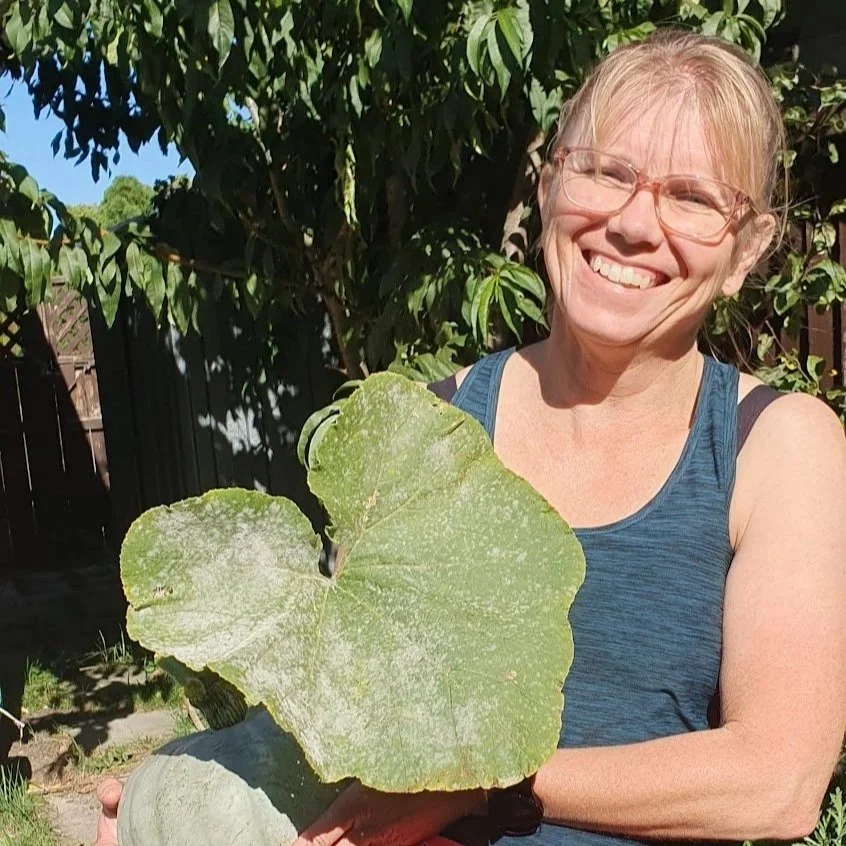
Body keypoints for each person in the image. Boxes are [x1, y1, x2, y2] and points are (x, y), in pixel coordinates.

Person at [93, 28, 846, 846]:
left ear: (747, 250)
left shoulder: (775, 446)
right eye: (607, 171)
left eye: (693, 197)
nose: (634, 222)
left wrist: (481, 786)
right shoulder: (425, 431)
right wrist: (187, 807)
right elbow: (356, 744)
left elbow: (776, 783)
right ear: (552, 183)